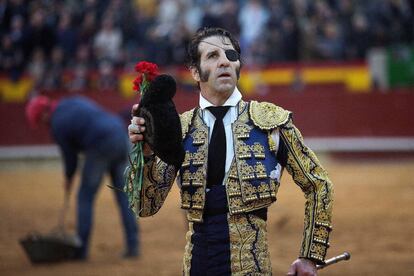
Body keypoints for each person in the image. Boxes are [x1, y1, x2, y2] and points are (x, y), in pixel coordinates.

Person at [128, 27, 333, 275]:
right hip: (196, 266)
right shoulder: (178, 130)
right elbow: (145, 206)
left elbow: (318, 184)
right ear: (195, 71)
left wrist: (311, 256)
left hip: (251, 267)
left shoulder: (270, 122)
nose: (224, 61)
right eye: (213, 56)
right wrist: (147, 154)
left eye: (231, 55)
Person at [25, 95, 139, 260]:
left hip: (100, 145)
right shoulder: (69, 101)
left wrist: (68, 177)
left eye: (41, 121)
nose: (44, 124)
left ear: (43, 114)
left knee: (85, 197)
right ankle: (133, 246)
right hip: (120, 136)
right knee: (123, 195)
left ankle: (81, 251)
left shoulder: (57, 123)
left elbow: (70, 157)